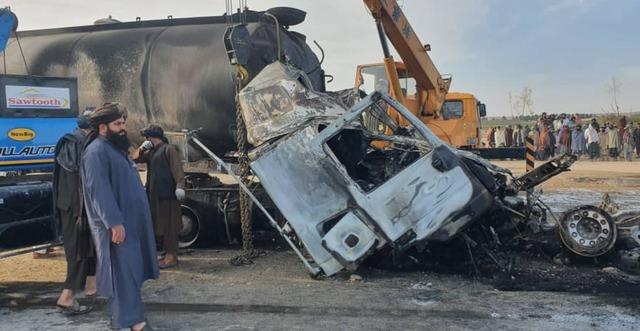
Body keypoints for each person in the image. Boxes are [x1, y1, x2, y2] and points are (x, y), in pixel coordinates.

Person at [81, 103, 159, 331]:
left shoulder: (114, 148)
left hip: (131, 224)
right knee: (123, 275)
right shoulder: (95, 152)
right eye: (118, 124)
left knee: (132, 271)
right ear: (103, 127)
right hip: (117, 227)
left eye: (123, 123)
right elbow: (99, 191)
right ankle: (136, 324)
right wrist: (113, 222)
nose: (123, 128)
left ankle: (133, 319)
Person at [54, 111, 96, 315]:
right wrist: (81, 212)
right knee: (78, 250)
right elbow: (76, 181)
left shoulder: (72, 140)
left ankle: (90, 286)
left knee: (85, 248)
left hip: (70, 206)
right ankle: (67, 296)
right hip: (75, 208)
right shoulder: (77, 144)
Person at [132, 124, 186, 269]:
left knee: (170, 225)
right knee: (161, 224)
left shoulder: (169, 149)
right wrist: (142, 148)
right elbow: (135, 159)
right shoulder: (152, 152)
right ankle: (168, 253)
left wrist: (180, 186)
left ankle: (171, 256)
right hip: (155, 195)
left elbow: (177, 170)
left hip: (168, 194)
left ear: (150, 137)